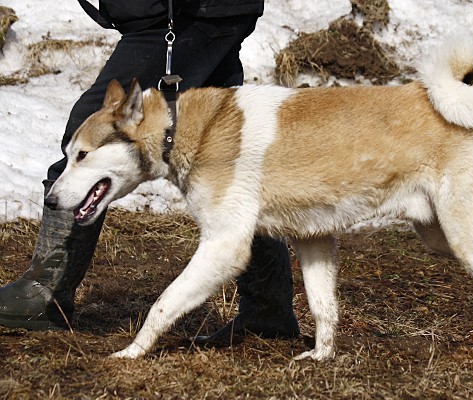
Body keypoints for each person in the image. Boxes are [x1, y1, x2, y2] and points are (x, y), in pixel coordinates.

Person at [0, 0, 299, 347]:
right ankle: (267, 309)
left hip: (183, 14)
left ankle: (45, 294)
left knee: (91, 130)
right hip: (203, 12)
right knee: (232, 152)